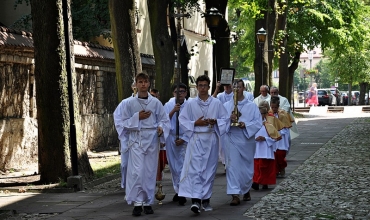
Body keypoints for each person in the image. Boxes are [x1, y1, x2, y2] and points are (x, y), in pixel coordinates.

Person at [120, 73, 170, 216]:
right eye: (140, 82)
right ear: (136, 84)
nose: (143, 84)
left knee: (149, 172)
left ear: (149, 84)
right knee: (137, 172)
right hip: (137, 140)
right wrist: (137, 117)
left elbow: (164, 120)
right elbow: (122, 123)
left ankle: (147, 202)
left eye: (145, 82)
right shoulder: (129, 103)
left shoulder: (155, 103)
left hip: (152, 140)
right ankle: (137, 203)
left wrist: (161, 128)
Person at [178, 75, 229, 214]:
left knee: (209, 170)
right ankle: (195, 200)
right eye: (200, 85)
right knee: (195, 170)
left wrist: (216, 121)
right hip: (196, 139)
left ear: (209, 86)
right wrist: (195, 123)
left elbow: (225, 119)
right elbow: (182, 119)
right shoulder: (191, 103)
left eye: (205, 85)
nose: (202, 88)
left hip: (211, 139)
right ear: (196, 87)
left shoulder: (216, 103)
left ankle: (206, 199)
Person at [223, 79, 262, 206]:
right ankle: (235, 194)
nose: (236, 89)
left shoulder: (251, 106)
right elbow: (221, 122)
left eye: (238, 87)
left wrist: (246, 125)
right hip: (231, 137)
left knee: (246, 168)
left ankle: (245, 189)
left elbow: (258, 122)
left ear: (243, 88)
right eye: (234, 87)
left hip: (246, 139)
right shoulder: (226, 106)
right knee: (232, 166)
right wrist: (229, 119)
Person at [163, 83, 188, 206]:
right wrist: (173, 110)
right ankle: (177, 190)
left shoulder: (189, 106)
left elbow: (192, 123)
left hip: (184, 139)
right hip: (171, 137)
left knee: (183, 165)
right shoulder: (168, 105)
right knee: (173, 166)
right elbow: (163, 120)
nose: (180, 94)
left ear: (186, 93)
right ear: (174, 93)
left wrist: (184, 138)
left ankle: (182, 192)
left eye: (182, 91)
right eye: (178, 92)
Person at [113, 82, 136, 191]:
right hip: (127, 137)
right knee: (125, 164)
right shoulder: (125, 103)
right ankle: (127, 186)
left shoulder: (149, 102)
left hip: (142, 139)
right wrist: (125, 130)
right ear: (132, 87)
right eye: (135, 85)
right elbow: (118, 119)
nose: (137, 87)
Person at [253, 106, 281, 191]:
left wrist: (265, 138)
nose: (259, 115)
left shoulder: (269, 126)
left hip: (266, 149)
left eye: (261, 113)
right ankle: (256, 182)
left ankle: (263, 182)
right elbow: (248, 136)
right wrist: (255, 139)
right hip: (256, 149)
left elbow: (275, 138)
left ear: (265, 115)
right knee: (257, 167)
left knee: (265, 167)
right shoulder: (253, 125)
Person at [269, 96, 293, 178]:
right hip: (272, 138)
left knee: (280, 155)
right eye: (272, 107)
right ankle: (275, 171)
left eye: (275, 107)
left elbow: (286, 128)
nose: (274, 109)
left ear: (278, 106)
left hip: (281, 139)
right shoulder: (268, 114)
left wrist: (278, 131)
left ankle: (282, 166)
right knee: (273, 155)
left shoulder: (283, 114)